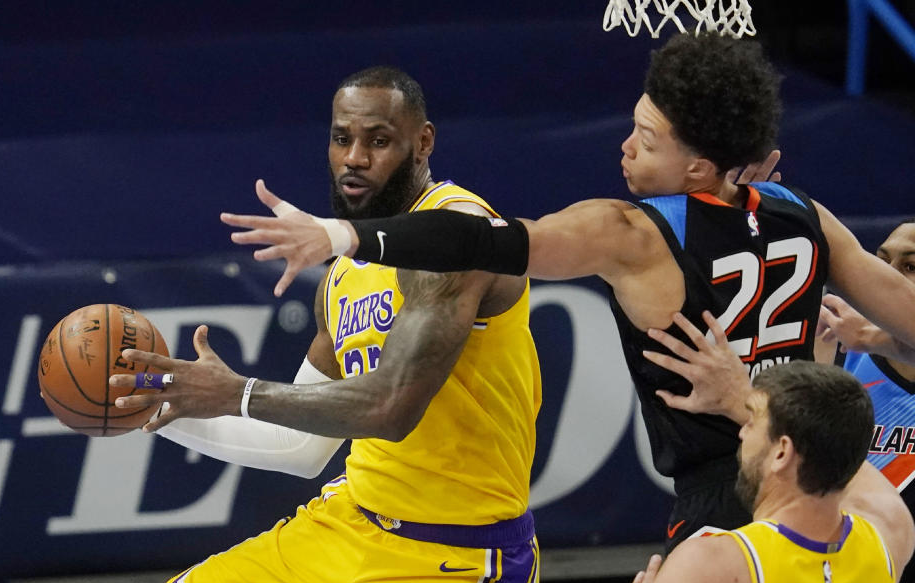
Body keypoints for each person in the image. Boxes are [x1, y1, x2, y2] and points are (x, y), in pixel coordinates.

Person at [219, 32, 915, 552]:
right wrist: (881, 339)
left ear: (698, 164)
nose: (626, 147)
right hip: (839, 494)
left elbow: (483, 241)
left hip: (729, 500)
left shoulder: (628, 233)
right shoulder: (806, 214)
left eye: (646, 137)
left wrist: (345, 238)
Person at [116, 66, 543, 583]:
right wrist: (150, 406)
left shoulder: (458, 234)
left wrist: (236, 394)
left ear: (423, 143)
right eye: (343, 138)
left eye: (379, 140)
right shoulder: (342, 275)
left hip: (452, 564)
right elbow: (298, 448)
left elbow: (390, 408)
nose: (355, 158)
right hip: (345, 530)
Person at [621, 315, 915, 583]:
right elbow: (848, 455)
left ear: (782, 452)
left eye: (752, 419)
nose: (743, 430)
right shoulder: (891, 532)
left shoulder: (711, 568)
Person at [812, 218, 915, 583]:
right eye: (882, 261)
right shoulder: (835, 363)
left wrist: (879, 339)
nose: (888, 277)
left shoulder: (864, 341)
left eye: (911, 266)